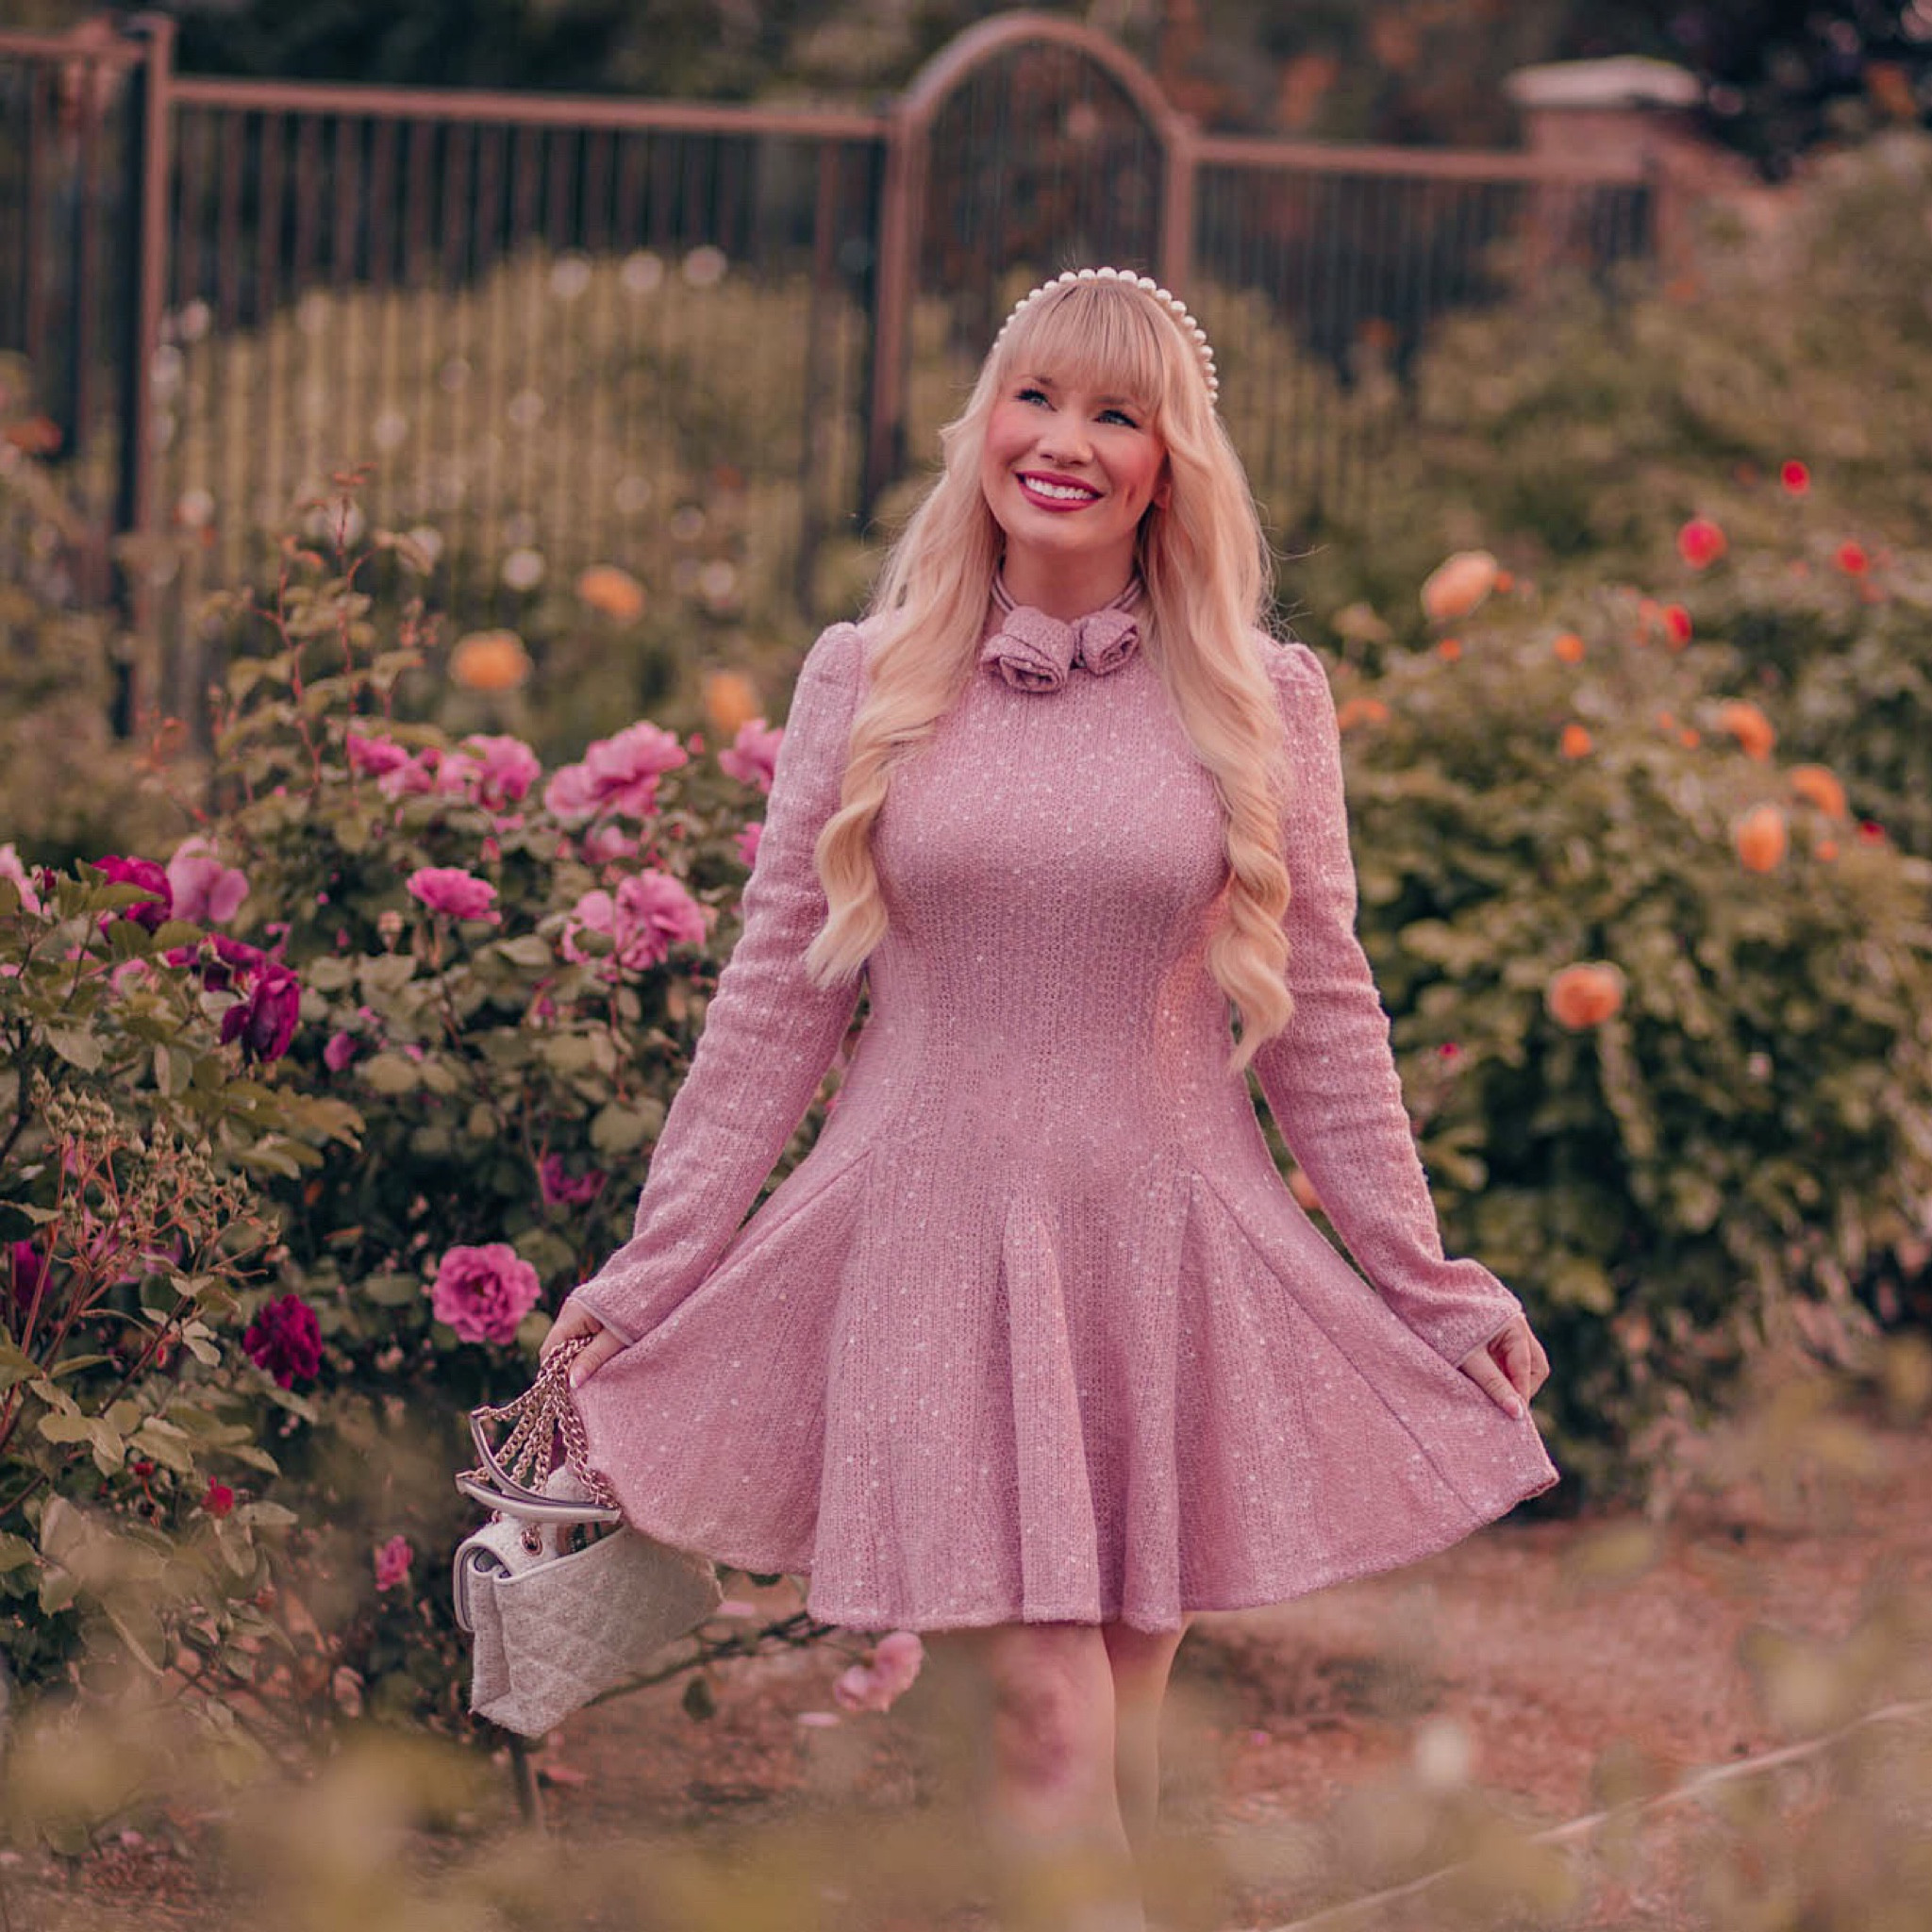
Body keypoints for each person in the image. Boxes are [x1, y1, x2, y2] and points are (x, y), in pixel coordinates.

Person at [541, 265, 1558, 1931]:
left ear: (1171, 463)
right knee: (1037, 1717)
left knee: (1118, 1735)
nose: (1063, 441)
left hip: (1158, 1246)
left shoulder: (1258, 697)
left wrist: (1432, 1289)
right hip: (930, 1247)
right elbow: (771, 1005)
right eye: (1035, 396)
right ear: (983, 424)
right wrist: (648, 1271)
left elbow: (1326, 1016)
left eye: (1115, 412)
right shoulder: (867, 676)